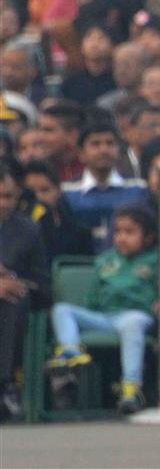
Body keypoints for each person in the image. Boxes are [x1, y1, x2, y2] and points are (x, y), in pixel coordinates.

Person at [46, 202, 158, 414]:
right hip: (104, 317)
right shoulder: (105, 260)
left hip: (135, 316)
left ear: (149, 237)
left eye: (130, 232)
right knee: (62, 310)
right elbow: (93, 298)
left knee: (133, 323)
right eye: (118, 232)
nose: (121, 237)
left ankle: (131, 390)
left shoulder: (156, 259)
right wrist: (90, 315)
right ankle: (71, 353)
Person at [0, 161, 50, 421]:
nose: (2, 204)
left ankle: (5, 384)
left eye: (7, 196)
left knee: (13, 298)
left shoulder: (28, 230)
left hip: (12, 300)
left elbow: (42, 284)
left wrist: (12, 280)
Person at [62, 117, 143, 253]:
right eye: (95, 144)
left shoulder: (138, 189)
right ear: (81, 153)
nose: (104, 150)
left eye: (110, 143)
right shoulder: (66, 192)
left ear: (119, 150)